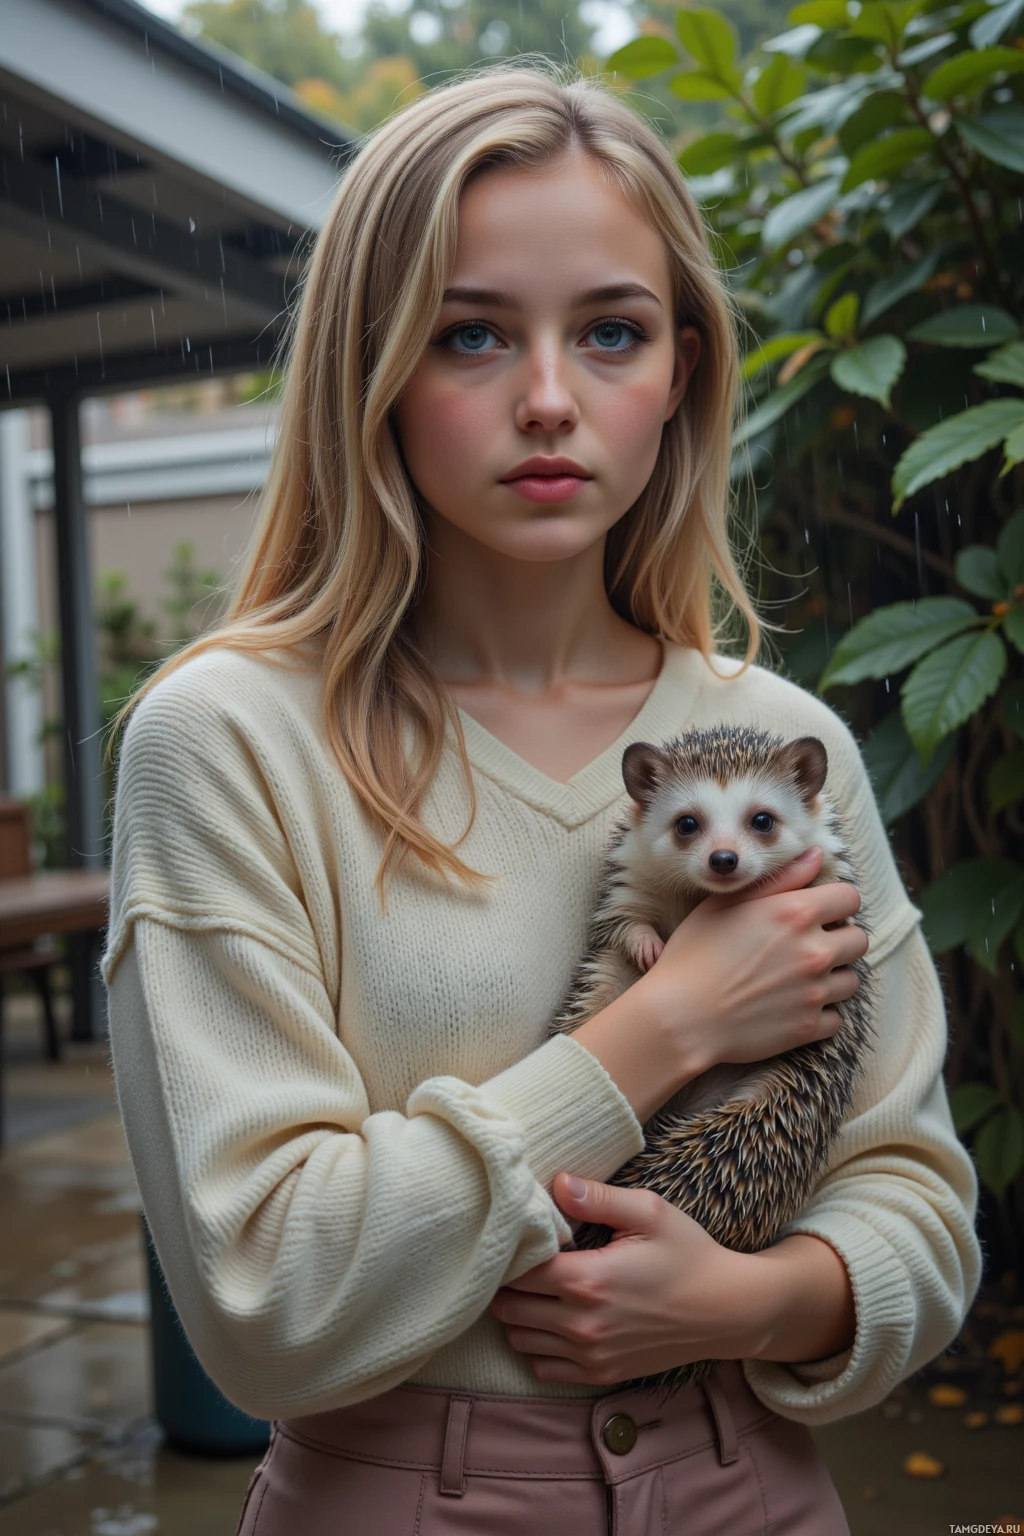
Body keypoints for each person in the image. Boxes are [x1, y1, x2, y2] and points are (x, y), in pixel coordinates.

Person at [103, 59, 982, 1536]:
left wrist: (753, 1303)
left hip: (751, 1488)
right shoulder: (228, 740)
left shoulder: (776, 738)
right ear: (368, 361)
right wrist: (663, 1029)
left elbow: (919, 1207)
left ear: (683, 371)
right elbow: (262, 1300)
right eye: (470, 335)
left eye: (615, 332)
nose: (553, 400)